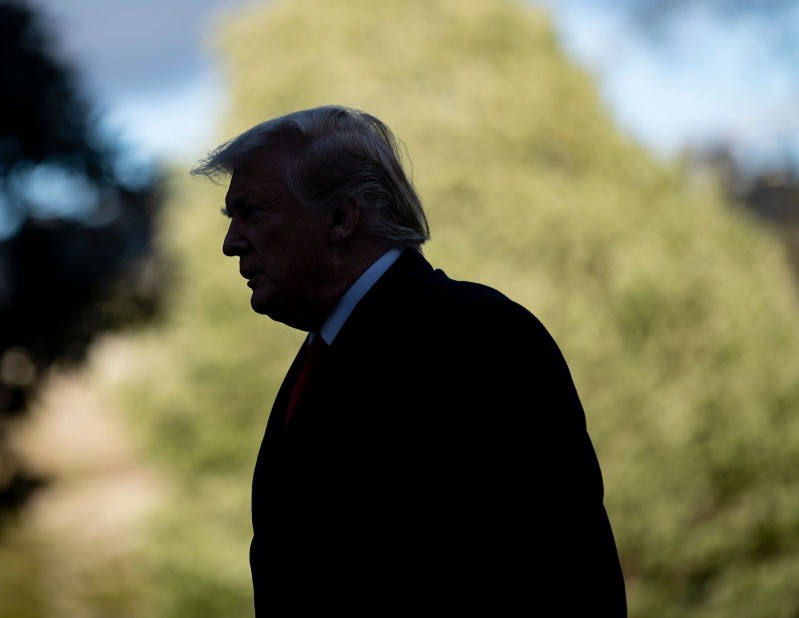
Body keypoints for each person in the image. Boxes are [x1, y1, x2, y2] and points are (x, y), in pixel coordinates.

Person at [191, 104, 627, 617]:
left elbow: (561, 573)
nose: (230, 243)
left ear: (340, 218)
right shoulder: (324, 352)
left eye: (253, 212)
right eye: (231, 217)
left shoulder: (479, 340)